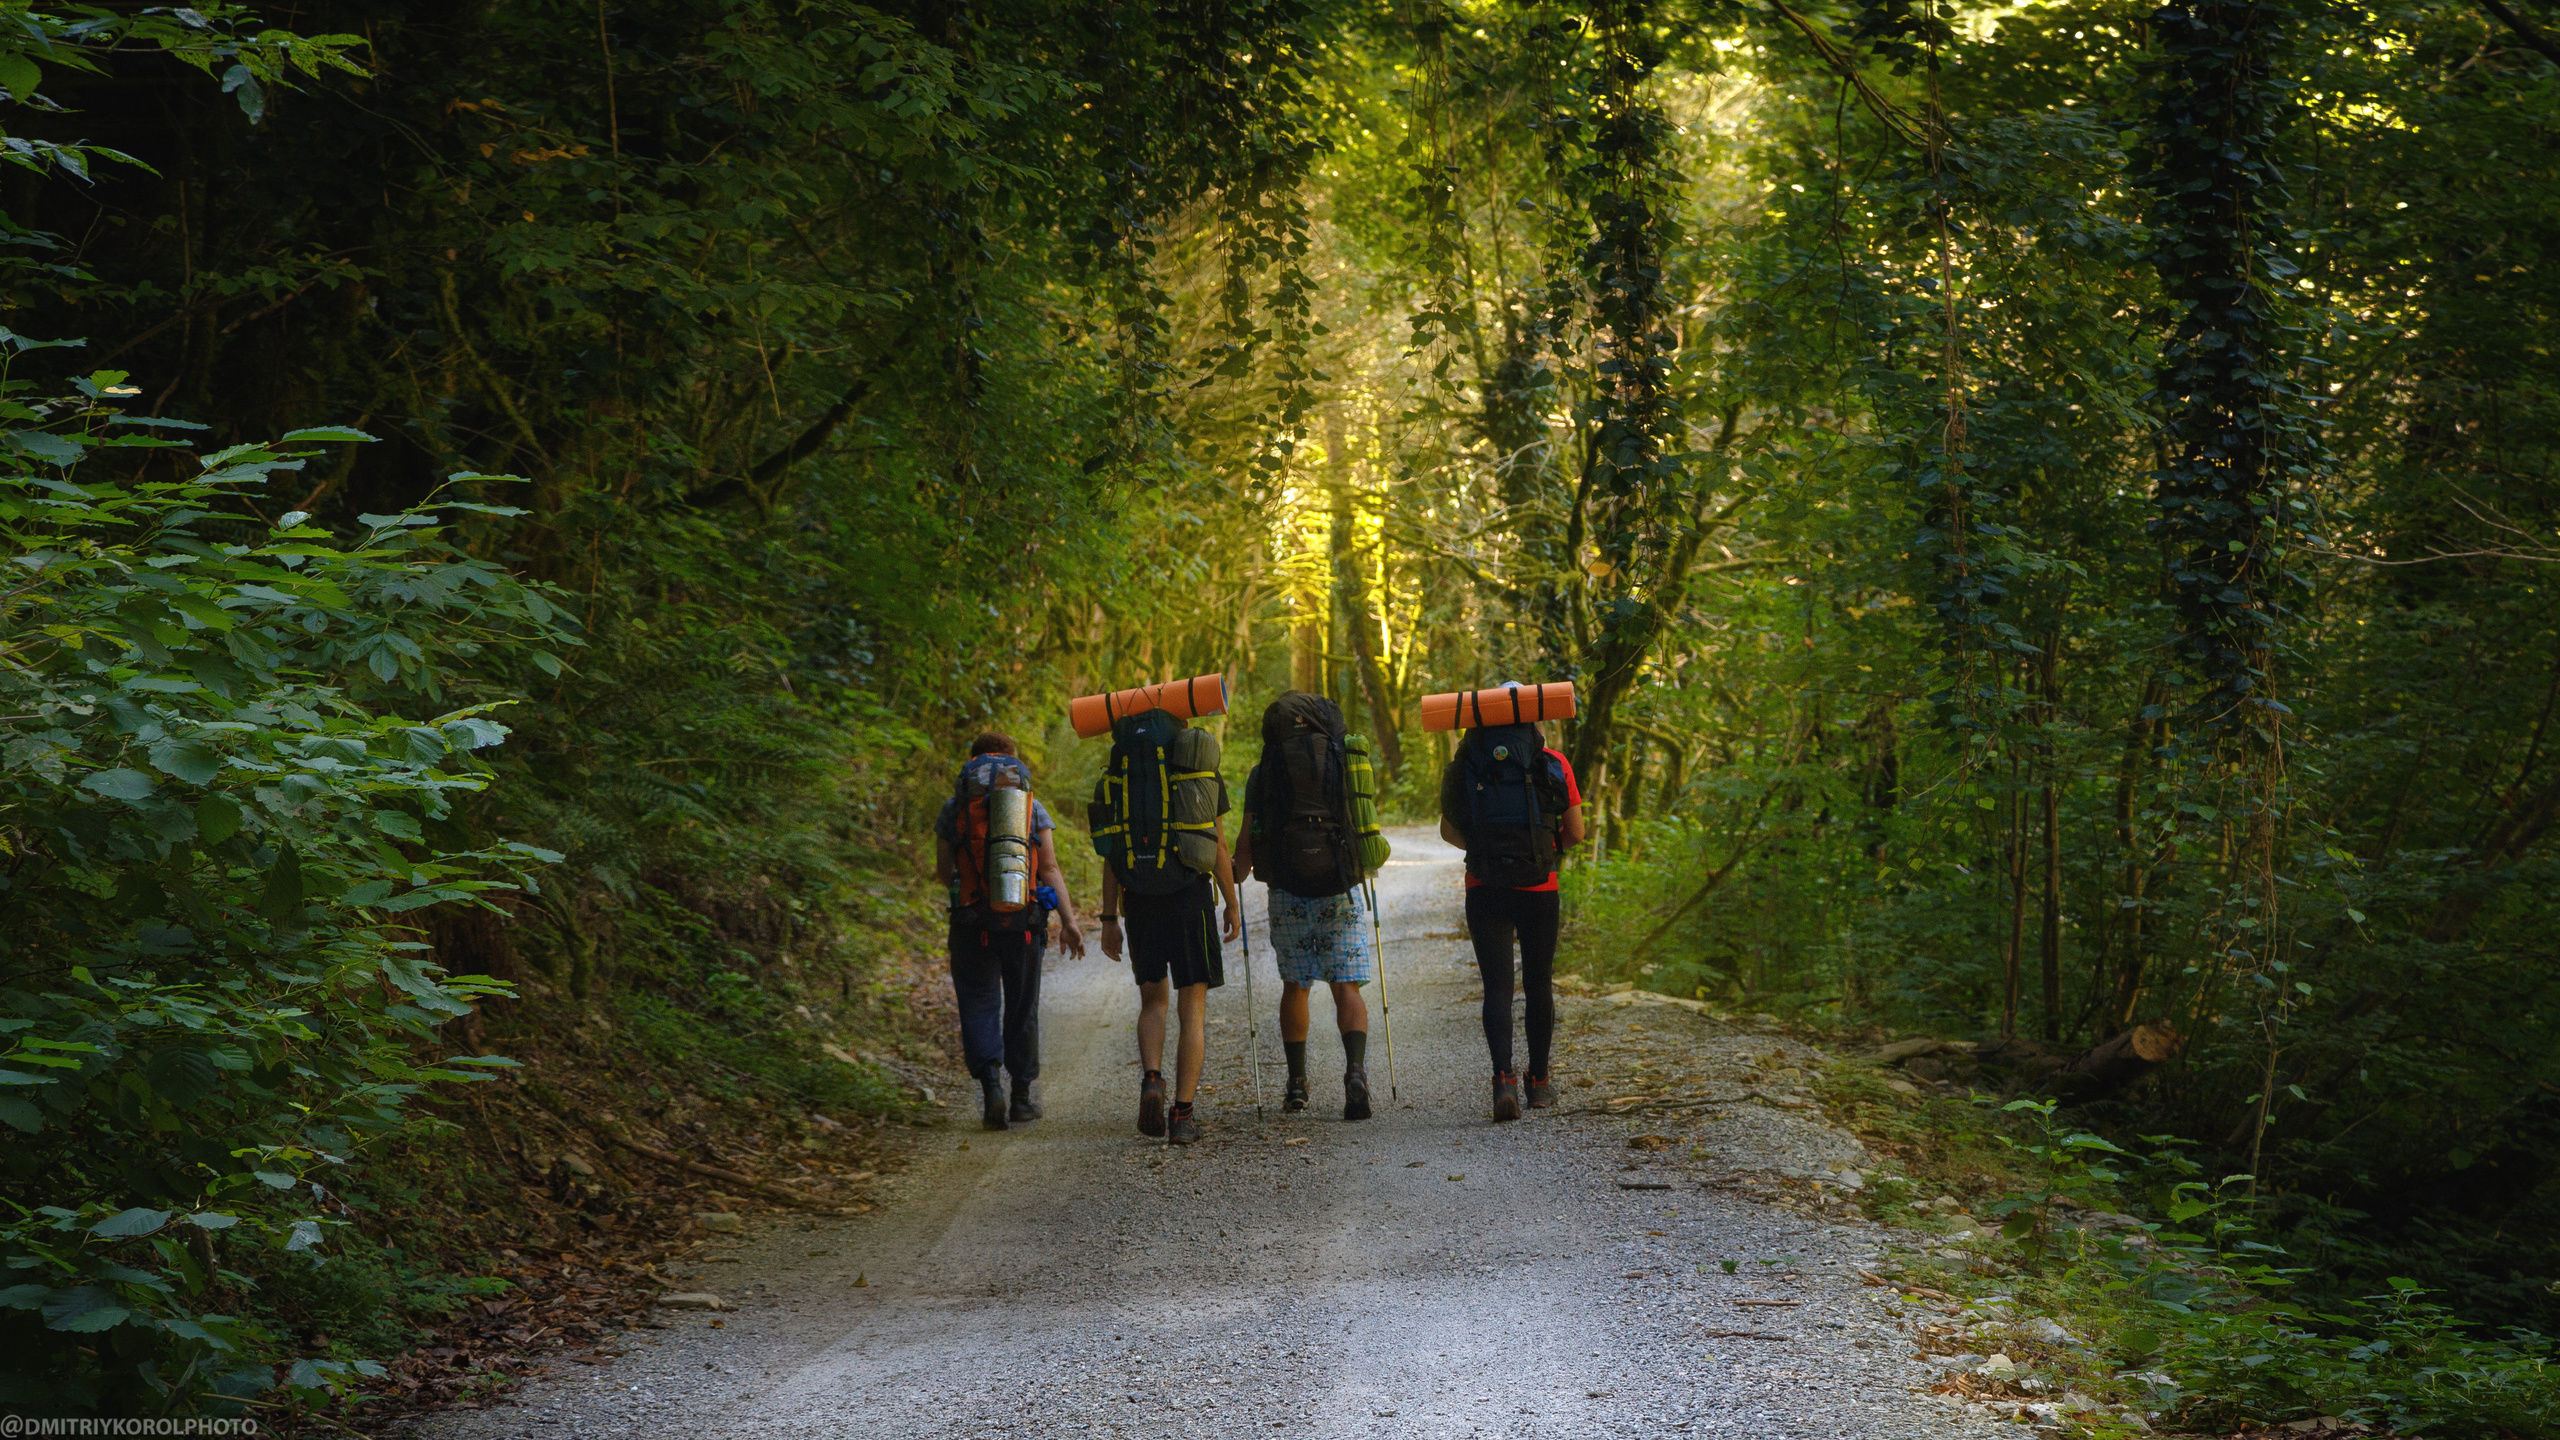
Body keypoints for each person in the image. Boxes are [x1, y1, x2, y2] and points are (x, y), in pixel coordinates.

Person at [1437, 686, 1585, 1121]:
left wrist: (1481, 851)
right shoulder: (1552, 762)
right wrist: (1544, 851)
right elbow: (1576, 831)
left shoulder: (1465, 763)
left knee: (1497, 986)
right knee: (1539, 983)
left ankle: (1503, 1080)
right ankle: (1538, 1084)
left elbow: (1448, 830)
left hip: (1484, 886)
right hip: (1540, 886)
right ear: (1532, 716)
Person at [1095, 722, 1241, 1146]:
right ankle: (1183, 1115)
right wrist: (1230, 902)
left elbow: (1110, 853)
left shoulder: (1121, 773)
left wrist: (1109, 919)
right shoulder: (1196, 767)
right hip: (1189, 897)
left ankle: (1153, 1080)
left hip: (1137, 896)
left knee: (1153, 1001)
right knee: (1192, 1008)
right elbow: (1217, 845)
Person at [1233, 692, 1375, 1121]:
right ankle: (1355, 1072)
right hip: (1339, 885)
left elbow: (1246, 840)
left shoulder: (1263, 773)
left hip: (1287, 888)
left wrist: (1234, 876)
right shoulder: (1345, 763)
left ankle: (1297, 1084)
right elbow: (1364, 823)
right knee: (1345, 985)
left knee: (1296, 985)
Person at [934, 732, 1086, 1131]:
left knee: (979, 1000)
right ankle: (1021, 1098)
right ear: (1014, 764)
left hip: (970, 921)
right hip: (1023, 918)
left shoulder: (954, 809)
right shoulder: (1030, 808)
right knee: (1022, 1004)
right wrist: (1069, 923)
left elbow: (943, 872)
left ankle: (990, 1088)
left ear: (973, 764)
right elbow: (1049, 868)